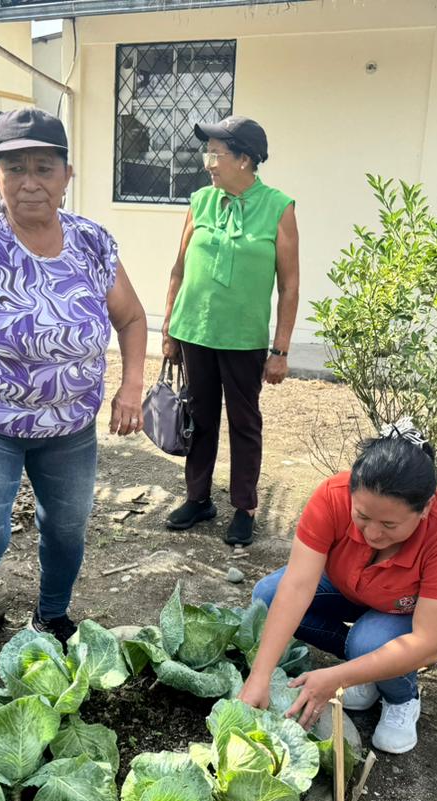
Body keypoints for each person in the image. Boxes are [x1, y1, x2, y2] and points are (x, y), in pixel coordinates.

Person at [0, 107, 148, 732]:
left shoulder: (92, 242)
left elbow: (131, 318)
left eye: (44, 167)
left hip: (67, 426)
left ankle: (51, 617)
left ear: (67, 174)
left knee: (67, 530)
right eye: (15, 168)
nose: (30, 181)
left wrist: (131, 387)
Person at [237, 419, 437, 754]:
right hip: (363, 590)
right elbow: (296, 586)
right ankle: (367, 668)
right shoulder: (332, 496)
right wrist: (259, 676)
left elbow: (428, 643)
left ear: (426, 507)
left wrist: (338, 677)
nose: (372, 533)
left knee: (369, 641)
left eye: (389, 524)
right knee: (268, 596)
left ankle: (401, 698)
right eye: (362, 516)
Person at [161, 115, 299, 547]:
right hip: (195, 330)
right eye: (208, 154)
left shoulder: (278, 207)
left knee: (244, 423)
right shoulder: (201, 201)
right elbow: (179, 268)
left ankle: (244, 507)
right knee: (200, 418)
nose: (208, 163)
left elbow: (290, 285)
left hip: (243, 338)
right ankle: (198, 498)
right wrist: (168, 328)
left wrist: (280, 350)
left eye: (216, 154)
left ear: (244, 159)